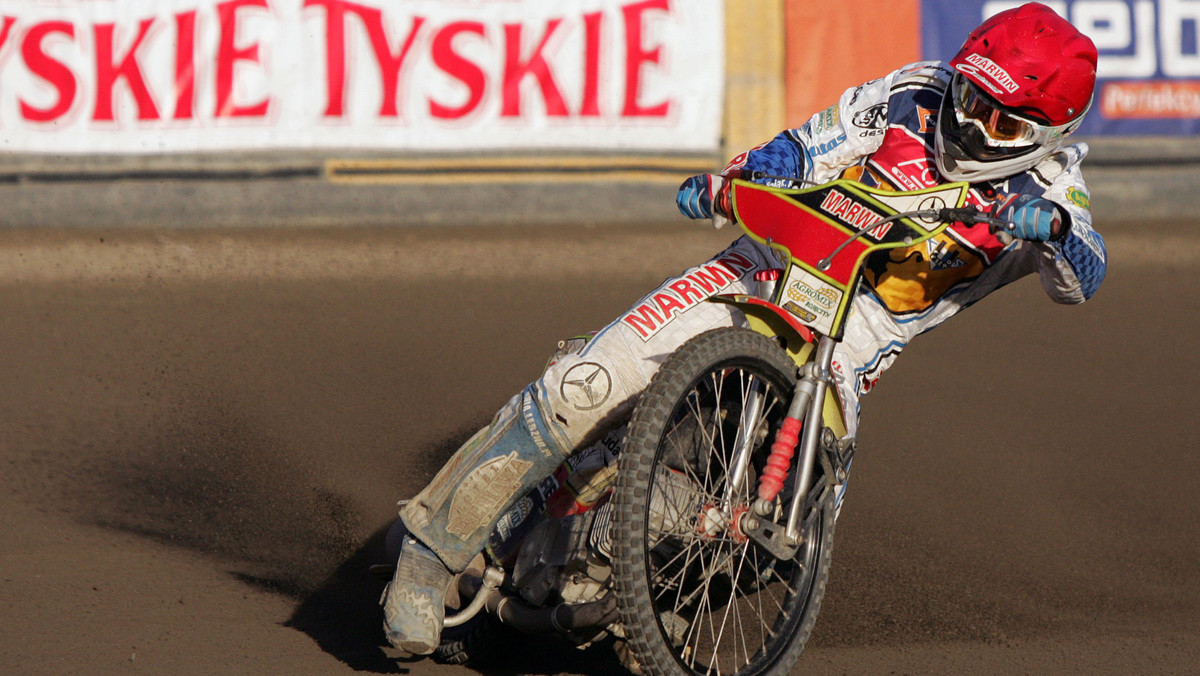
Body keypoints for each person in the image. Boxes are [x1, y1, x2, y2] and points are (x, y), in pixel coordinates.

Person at [381, 1, 1106, 655]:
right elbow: (802, 148)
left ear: (1051, 135)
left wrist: (1054, 231)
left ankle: (650, 604)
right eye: (970, 99)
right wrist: (737, 179)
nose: (972, 125)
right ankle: (429, 551)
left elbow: (1085, 275)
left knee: (785, 538)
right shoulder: (912, 92)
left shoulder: (1051, 190)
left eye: (1003, 122)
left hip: (847, 348)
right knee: (584, 384)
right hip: (762, 268)